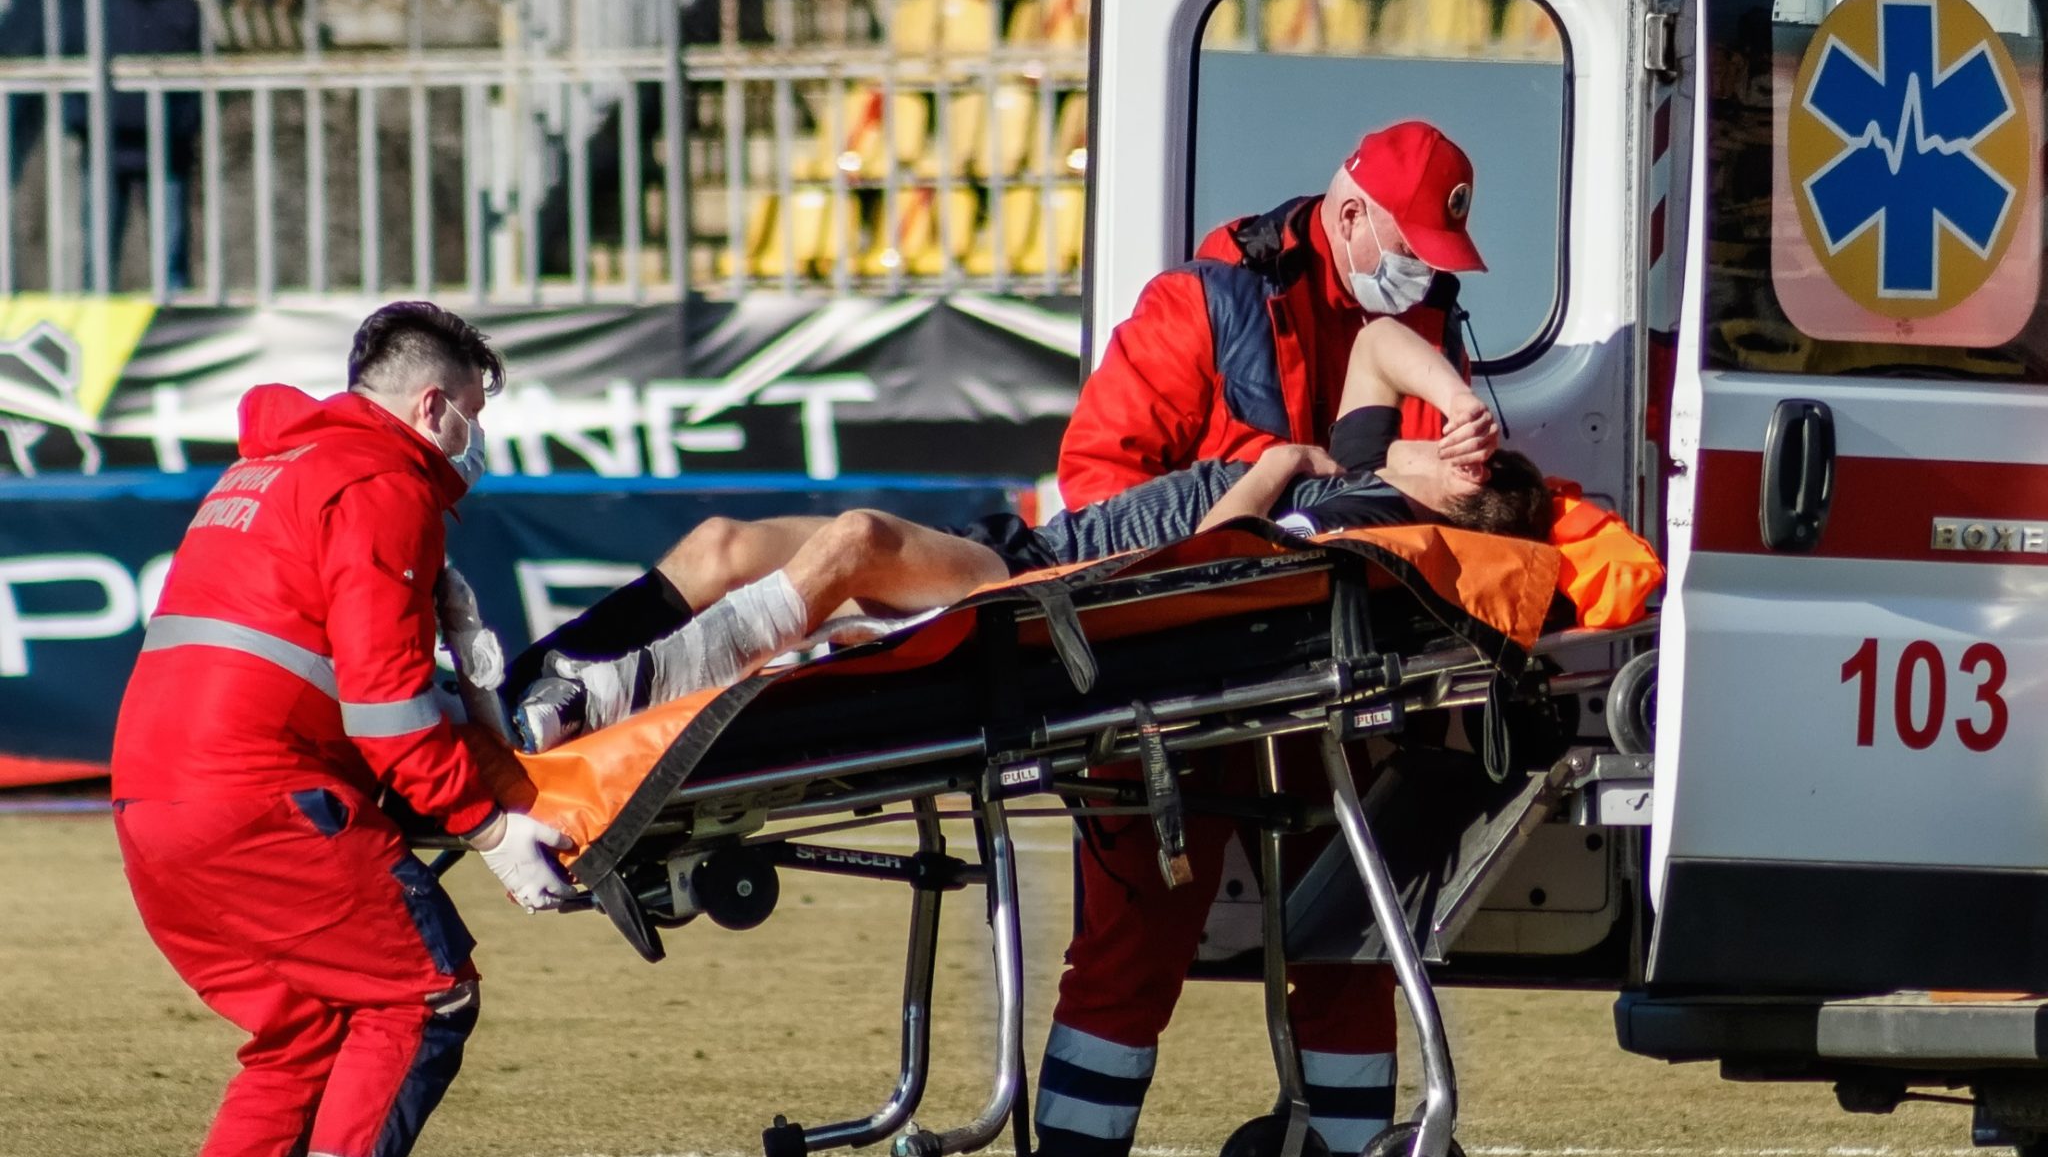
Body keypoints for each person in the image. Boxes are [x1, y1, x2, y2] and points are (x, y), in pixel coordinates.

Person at [1033, 119, 1492, 1157]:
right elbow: (1098, 495)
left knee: (1346, 944)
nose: (1427, 271)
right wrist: (1285, 483)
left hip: (1324, 683)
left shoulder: (1412, 317)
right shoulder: (1197, 305)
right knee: (1134, 946)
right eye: (1412, 244)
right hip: (1165, 677)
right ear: (1346, 221)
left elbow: (1428, 492)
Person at [113, 301, 574, 1157]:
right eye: (473, 409)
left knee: (303, 1029)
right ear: (432, 403)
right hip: (262, 795)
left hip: (155, 801)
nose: (477, 434)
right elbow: (385, 705)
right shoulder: (380, 484)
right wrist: (493, 830)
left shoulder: (271, 467)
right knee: (425, 990)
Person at [508, 316, 1540, 747]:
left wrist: (1270, 471)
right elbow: (1376, 339)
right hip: (1021, 548)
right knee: (721, 542)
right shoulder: (1363, 463)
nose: (1431, 430)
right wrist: (1457, 396)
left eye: (1451, 443)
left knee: (858, 539)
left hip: (1050, 592)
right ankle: (526, 685)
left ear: (1455, 486)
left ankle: (602, 696)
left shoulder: (1364, 512)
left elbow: (1197, 569)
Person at [66, 0, 201, 290]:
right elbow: (70, 72)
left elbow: (195, 76)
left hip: (166, 147)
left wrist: (183, 128)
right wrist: (81, 125)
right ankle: (95, 324)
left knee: (171, 252)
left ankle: (175, 324)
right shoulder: (89, 10)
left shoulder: (178, 8)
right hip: (104, 146)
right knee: (98, 252)